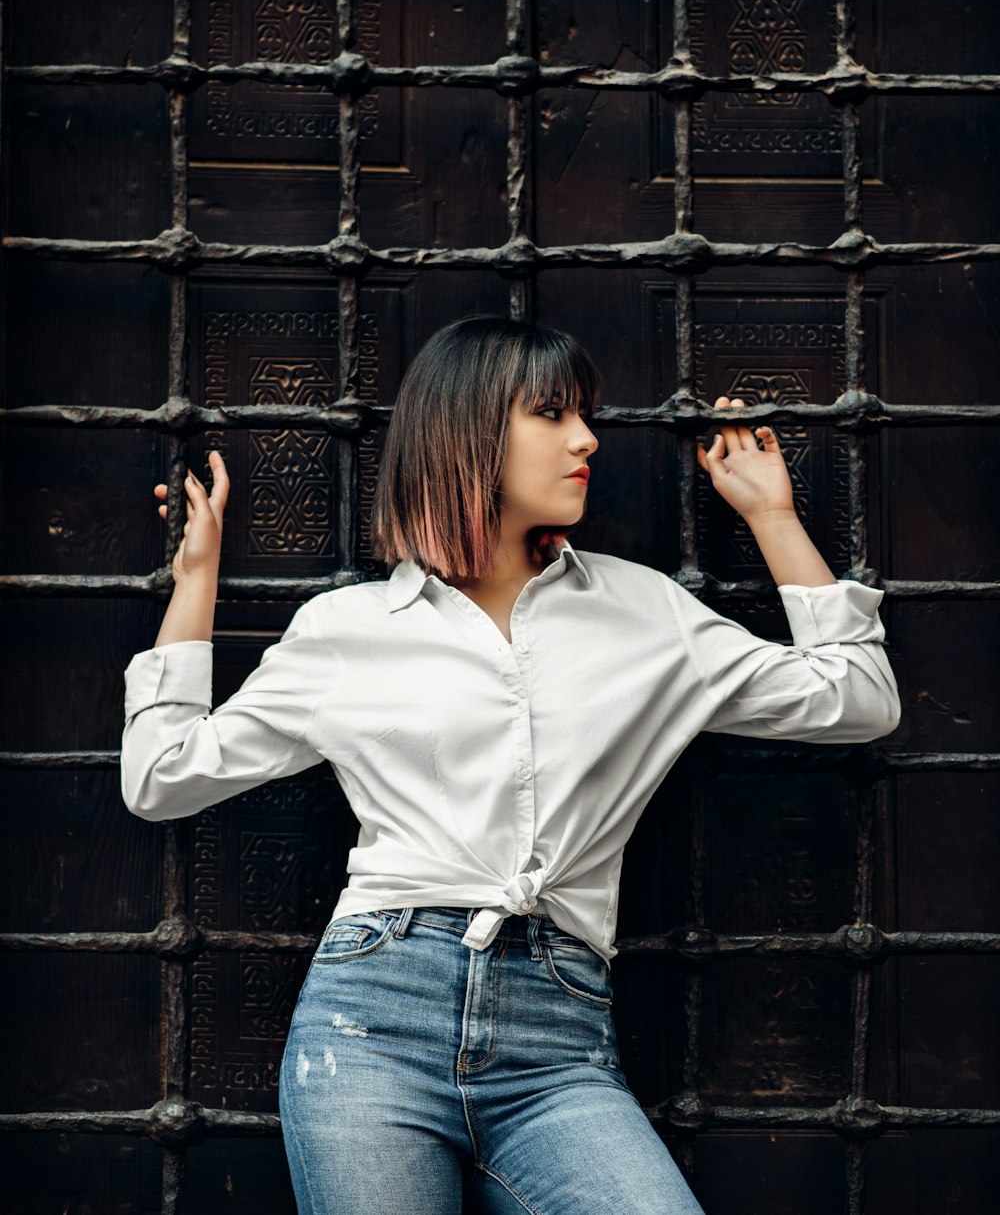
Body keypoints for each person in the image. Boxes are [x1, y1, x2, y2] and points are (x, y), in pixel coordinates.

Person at [121, 315, 900, 1214]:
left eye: (585, 415)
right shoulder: (347, 631)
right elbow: (163, 774)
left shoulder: (645, 613)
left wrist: (773, 517)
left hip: (559, 1040)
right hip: (372, 1022)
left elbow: (858, 699)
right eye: (553, 414)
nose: (587, 439)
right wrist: (196, 580)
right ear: (469, 431)